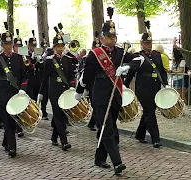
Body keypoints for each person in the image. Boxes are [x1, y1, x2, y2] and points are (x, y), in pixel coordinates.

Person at [75, 7, 143, 174]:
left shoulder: (121, 52)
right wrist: (80, 91)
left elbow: (140, 59)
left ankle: (99, 158)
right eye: (109, 37)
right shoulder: (94, 54)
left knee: (107, 127)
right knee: (107, 129)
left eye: (114, 36)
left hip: (115, 95)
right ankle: (117, 162)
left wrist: (127, 66)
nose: (112, 39)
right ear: (102, 38)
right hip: (99, 96)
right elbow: (86, 76)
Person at [124, 20, 169, 148]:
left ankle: (140, 134)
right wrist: (125, 86)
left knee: (149, 111)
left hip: (155, 87)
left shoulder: (157, 56)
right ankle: (156, 138)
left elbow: (162, 71)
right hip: (143, 88)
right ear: (141, 43)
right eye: (146, 43)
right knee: (150, 112)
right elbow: (131, 72)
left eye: (150, 42)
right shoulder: (138, 56)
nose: (148, 45)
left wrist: (165, 84)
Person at [0, 22, 26, 157]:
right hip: (2, 92)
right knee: (7, 119)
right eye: (6, 44)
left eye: (10, 44)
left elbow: (24, 76)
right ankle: (12, 147)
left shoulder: (19, 58)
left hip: (14, 92)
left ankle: (6, 142)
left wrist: (22, 89)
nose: (8, 46)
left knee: (12, 118)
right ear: (2, 45)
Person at [37, 29, 75, 151]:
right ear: (54, 47)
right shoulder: (49, 60)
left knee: (63, 115)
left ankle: (54, 137)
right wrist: (41, 92)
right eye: (58, 46)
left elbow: (71, 76)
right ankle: (64, 141)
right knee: (58, 115)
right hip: (54, 90)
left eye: (62, 46)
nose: (60, 48)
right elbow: (45, 77)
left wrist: (72, 86)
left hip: (65, 90)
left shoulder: (67, 59)